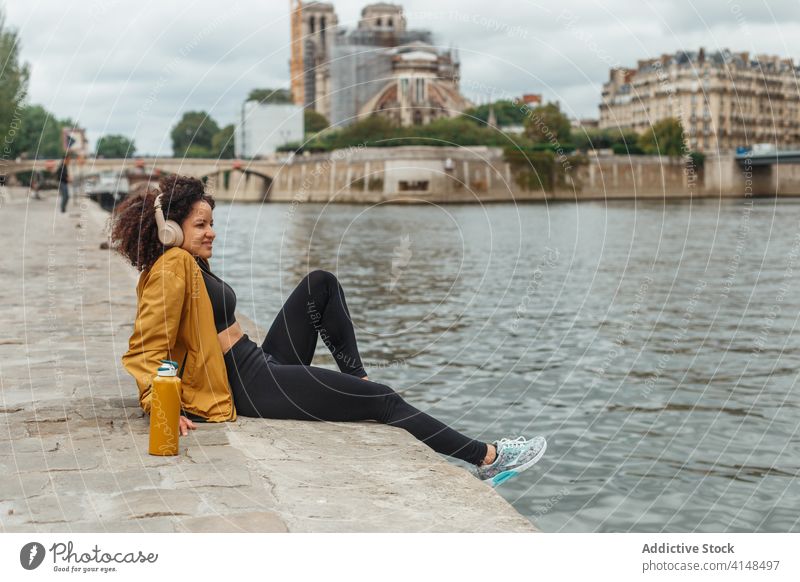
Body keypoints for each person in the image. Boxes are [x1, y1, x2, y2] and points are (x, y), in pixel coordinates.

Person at [110, 175, 546, 487]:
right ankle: (487, 457)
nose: (212, 232)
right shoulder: (174, 267)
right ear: (170, 230)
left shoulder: (191, 263)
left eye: (211, 222)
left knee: (319, 283)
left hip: (256, 362)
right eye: (201, 225)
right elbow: (147, 344)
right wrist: (158, 402)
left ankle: (355, 376)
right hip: (245, 384)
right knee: (384, 401)